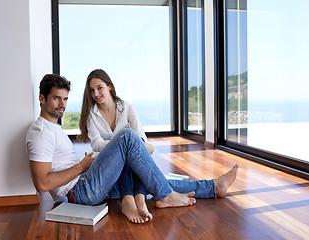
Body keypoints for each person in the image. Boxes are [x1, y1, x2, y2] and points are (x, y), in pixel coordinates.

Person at [26, 74, 239, 225]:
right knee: (128, 137)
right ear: (42, 98)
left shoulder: (52, 127)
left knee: (147, 180)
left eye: (64, 98)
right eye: (56, 98)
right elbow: (42, 183)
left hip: (84, 183)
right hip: (80, 191)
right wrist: (81, 167)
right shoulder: (41, 132)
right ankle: (163, 196)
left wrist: (85, 165)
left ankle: (213, 187)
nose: (62, 104)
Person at [78, 69, 154, 223]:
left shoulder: (127, 108)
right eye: (92, 90)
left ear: (109, 87)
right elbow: (97, 144)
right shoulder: (91, 115)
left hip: (133, 161)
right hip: (108, 163)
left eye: (100, 88)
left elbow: (142, 141)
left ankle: (139, 198)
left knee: (135, 140)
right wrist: (122, 146)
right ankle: (130, 198)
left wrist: (128, 147)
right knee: (128, 146)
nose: (96, 94)